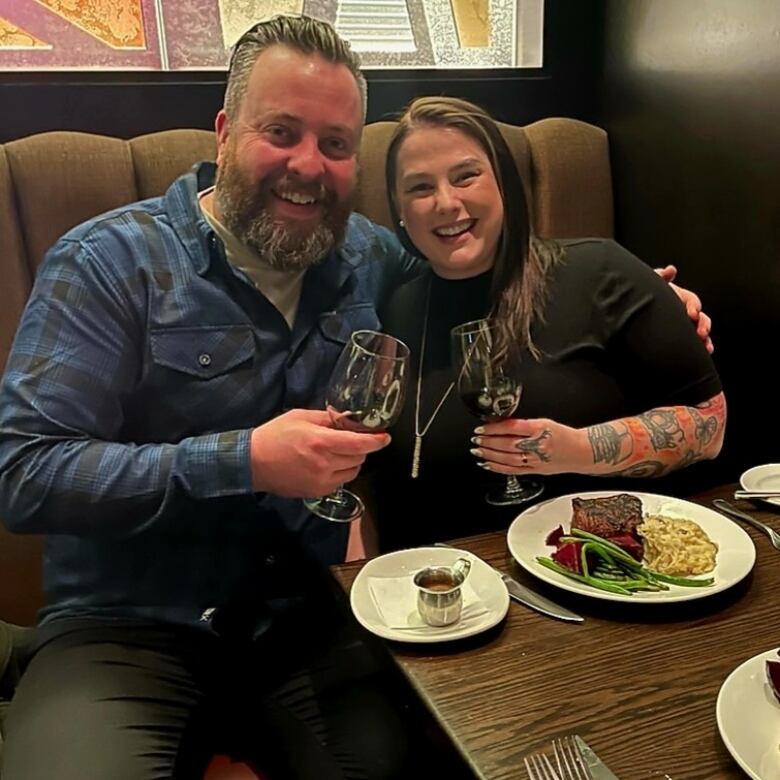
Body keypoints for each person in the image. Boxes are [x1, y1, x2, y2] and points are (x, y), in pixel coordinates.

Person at [0, 14, 712, 779]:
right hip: (125, 629)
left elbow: (480, 258)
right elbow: (24, 473)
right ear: (224, 132)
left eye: (336, 144)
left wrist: (651, 303)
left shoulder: (367, 254)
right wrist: (245, 460)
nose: (309, 166)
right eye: (282, 131)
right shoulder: (111, 262)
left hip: (307, 620)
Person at [367, 97, 726, 553]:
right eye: (420, 187)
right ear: (399, 209)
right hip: (441, 590)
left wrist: (577, 449)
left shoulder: (600, 270)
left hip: (590, 575)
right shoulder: (395, 307)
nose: (446, 202)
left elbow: (710, 424)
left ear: (503, 184)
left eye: (466, 176)